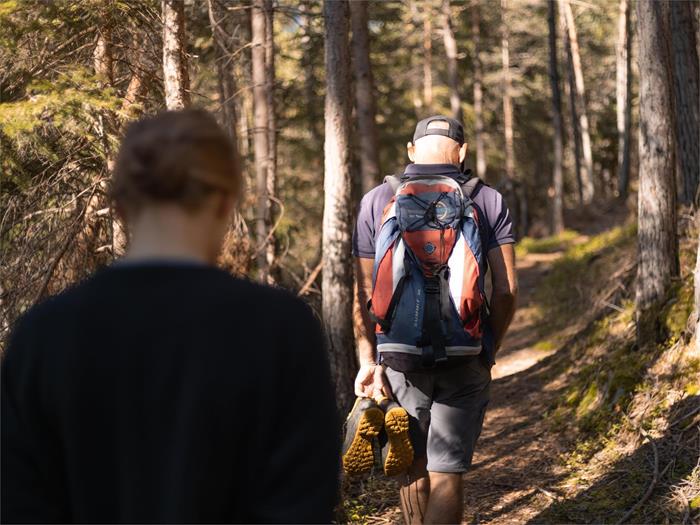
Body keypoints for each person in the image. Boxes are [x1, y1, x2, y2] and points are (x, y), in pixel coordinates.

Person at [1, 109, 340, 524]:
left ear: (121, 205)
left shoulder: (43, 334)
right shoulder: (281, 328)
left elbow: (19, 503)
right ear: (224, 202)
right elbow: (303, 503)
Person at [352, 116, 518, 524]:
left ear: (412, 151)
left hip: (399, 357)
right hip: (466, 354)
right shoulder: (488, 200)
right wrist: (487, 346)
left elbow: (364, 294)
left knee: (412, 466)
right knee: (448, 476)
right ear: (462, 152)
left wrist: (368, 359)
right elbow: (506, 290)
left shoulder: (377, 200)